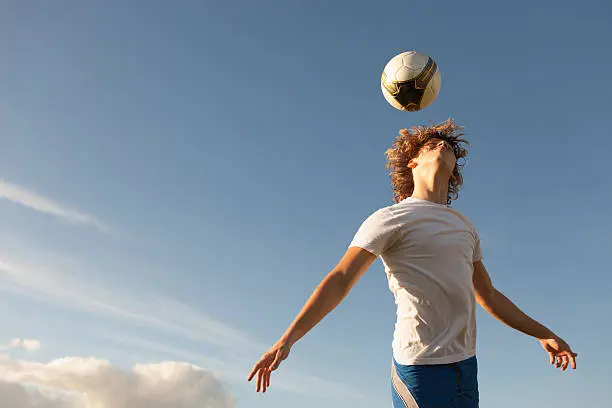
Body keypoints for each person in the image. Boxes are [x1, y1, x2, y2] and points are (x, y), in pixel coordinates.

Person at [247, 119, 577, 407]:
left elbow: (487, 295)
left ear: (455, 169)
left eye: (447, 145)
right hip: (420, 366)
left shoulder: (465, 225)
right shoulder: (390, 218)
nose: (441, 146)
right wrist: (287, 339)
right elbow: (341, 278)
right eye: (431, 144)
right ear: (412, 162)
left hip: (466, 366)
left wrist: (542, 333)